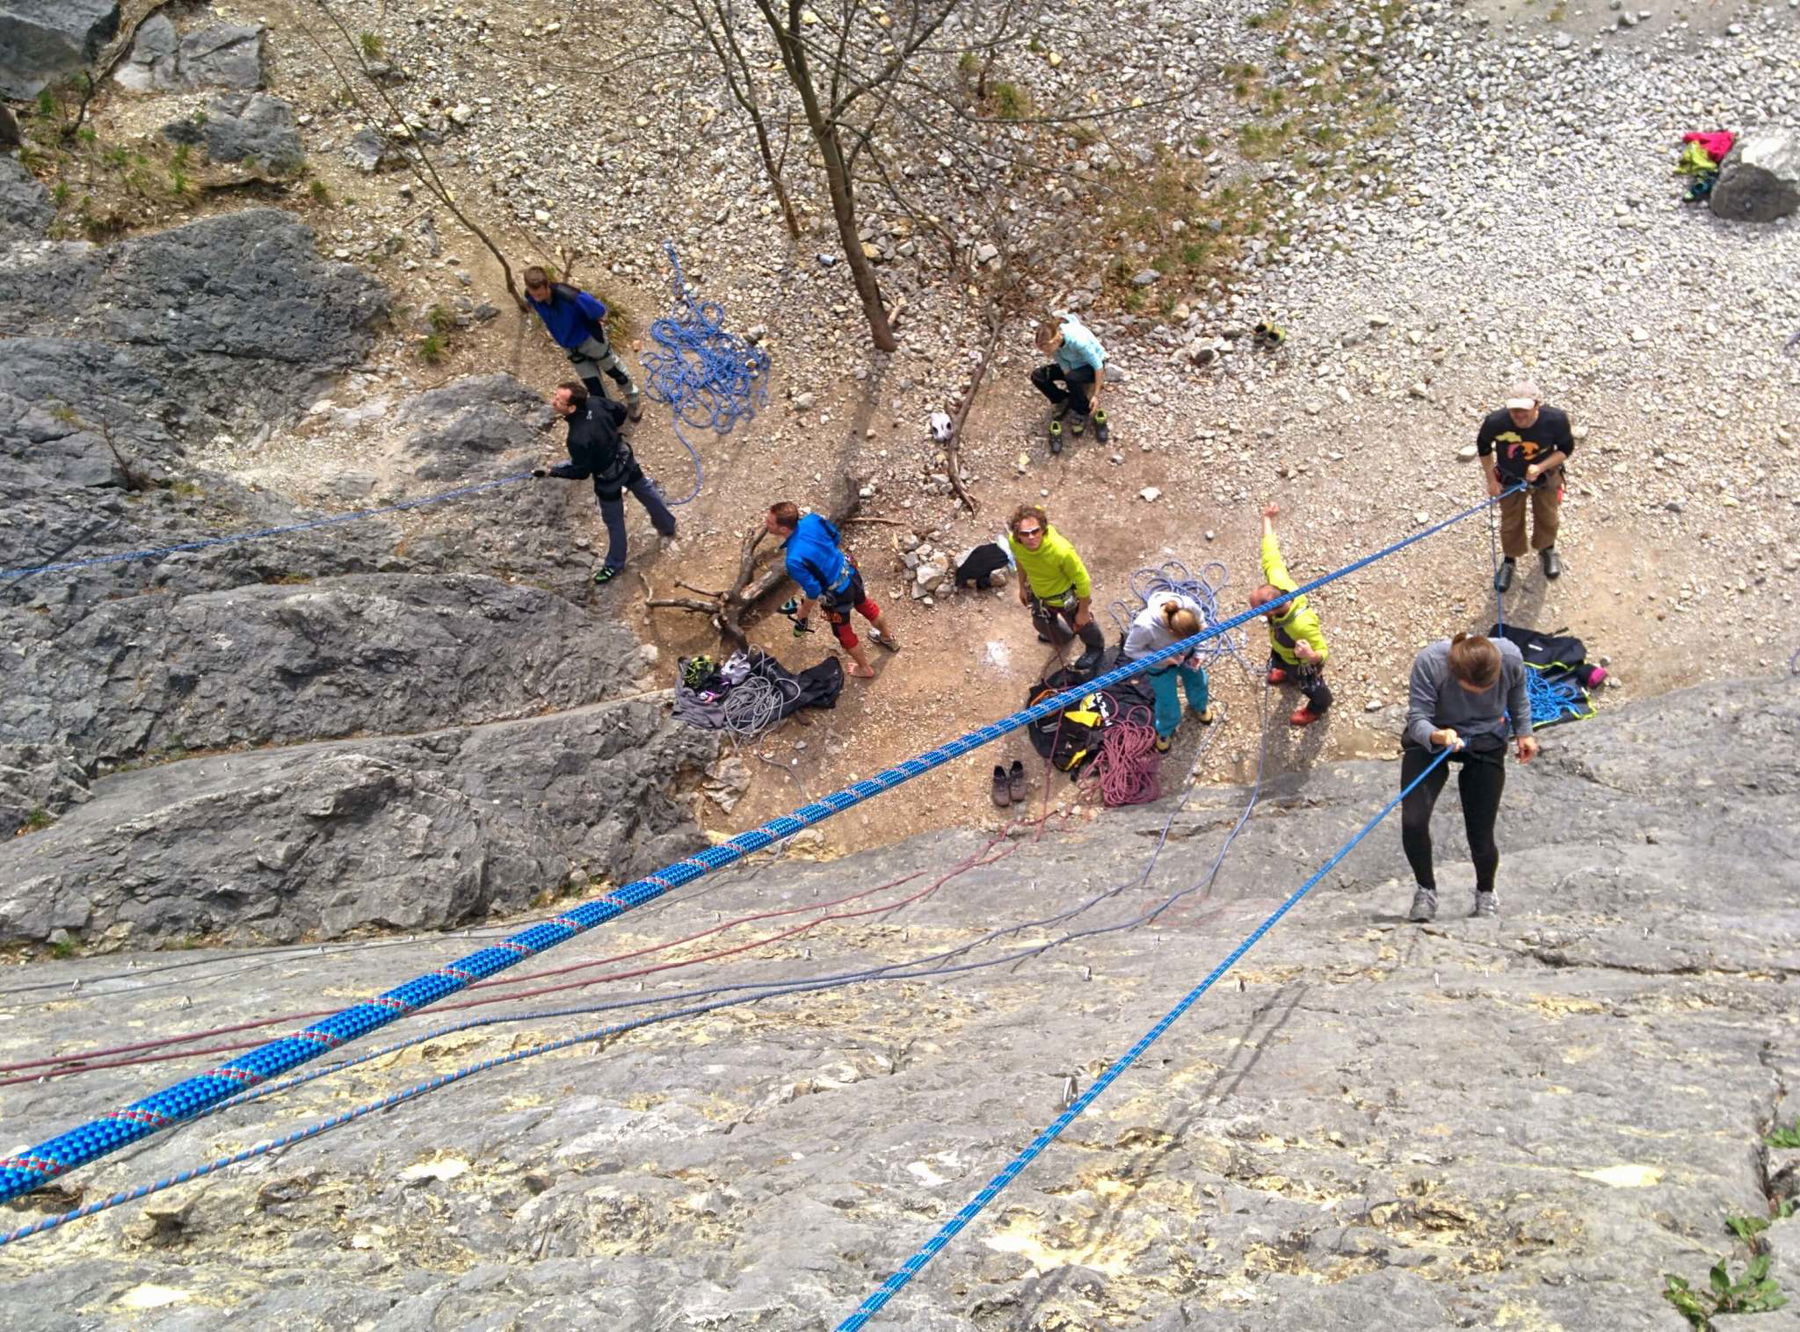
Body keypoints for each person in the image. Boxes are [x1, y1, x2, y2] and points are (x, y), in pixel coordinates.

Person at [1400, 632, 1539, 922]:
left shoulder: (1510, 657)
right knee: (1413, 821)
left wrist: (1525, 732)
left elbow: (1518, 695)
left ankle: (1486, 891)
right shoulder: (1431, 662)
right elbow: (1417, 719)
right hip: (1436, 736)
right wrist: (1438, 735)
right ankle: (1425, 890)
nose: (1482, 692)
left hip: (1486, 737)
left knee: (1480, 830)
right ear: (1455, 672)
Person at [535, 381, 675, 583]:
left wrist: (553, 471)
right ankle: (667, 525)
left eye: (559, 400)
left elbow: (581, 471)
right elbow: (620, 411)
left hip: (607, 478)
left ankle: (615, 564)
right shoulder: (596, 402)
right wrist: (608, 433)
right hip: (624, 458)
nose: (553, 401)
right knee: (645, 489)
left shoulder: (577, 438)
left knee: (614, 521)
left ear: (572, 408)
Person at [766, 501, 899, 680]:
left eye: (770, 522)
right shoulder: (813, 520)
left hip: (836, 596)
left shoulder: (793, 559)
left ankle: (865, 668)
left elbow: (813, 590)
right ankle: (888, 637)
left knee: (842, 631)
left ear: (783, 529)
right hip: (850, 572)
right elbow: (835, 537)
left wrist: (803, 612)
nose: (765, 524)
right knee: (865, 604)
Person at [1477, 379, 1575, 591]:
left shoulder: (1555, 420)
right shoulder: (1495, 422)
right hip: (1509, 479)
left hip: (1545, 476)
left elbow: (1566, 449)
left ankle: (1547, 549)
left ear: (1537, 405)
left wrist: (1541, 467)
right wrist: (1491, 481)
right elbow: (1484, 447)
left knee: (1548, 515)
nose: (1519, 416)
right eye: (1514, 411)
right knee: (1510, 521)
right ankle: (1510, 561)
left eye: (1525, 411)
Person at [1247, 503, 1333, 727]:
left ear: (1273, 609)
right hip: (1283, 647)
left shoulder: (1302, 624)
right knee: (1280, 657)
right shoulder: (1278, 582)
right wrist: (1267, 518)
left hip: (1302, 660)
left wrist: (1310, 654)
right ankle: (1285, 672)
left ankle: (1316, 709)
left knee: (1311, 685)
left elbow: (1323, 653)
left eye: (1258, 611)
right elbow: (1270, 554)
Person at [523, 266, 644, 420]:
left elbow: (599, 310)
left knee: (615, 371)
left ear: (547, 285)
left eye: (540, 294)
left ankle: (633, 399)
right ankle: (609, 415)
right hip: (571, 348)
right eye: (534, 295)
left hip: (591, 341)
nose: (537, 298)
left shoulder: (570, 296)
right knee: (594, 386)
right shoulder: (530, 296)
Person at [1006, 505, 1106, 674]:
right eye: (1024, 533)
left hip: (1065, 596)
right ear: (1017, 535)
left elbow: (1083, 581)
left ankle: (1095, 648)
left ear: (1043, 530)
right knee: (1041, 623)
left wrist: (1083, 612)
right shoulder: (1015, 544)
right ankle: (1063, 637)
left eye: (1035, 531)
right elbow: (1021, 562)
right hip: (1040, 593)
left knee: (1083, 625)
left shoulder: (1061, 551)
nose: (1030, 537)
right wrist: (1022, 587)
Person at [1123, 591, 1214, 753]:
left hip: (1187, 656)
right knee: (1166, 699)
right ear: (1171, 634)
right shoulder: (1145, 626)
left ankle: (1199, 705)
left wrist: (1199, 653)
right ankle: (1165, 728)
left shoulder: (1188, 606)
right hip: (1159, 665)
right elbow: (1130, 650)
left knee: (1198, 680)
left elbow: (1202, 625)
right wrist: (1162, 659)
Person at [1029, 314, 1110, 452]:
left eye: (1046, 349)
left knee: (1073, 378)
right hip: (1073, 366)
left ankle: (1082, 411)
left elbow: (1098, 366)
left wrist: (1095, 394)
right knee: (1038, 375)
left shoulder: (1078, 342)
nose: (1045, 353)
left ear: (1055, 340)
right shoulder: (1056, 345)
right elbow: (1063, 364)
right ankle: (1062, 400)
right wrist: (1072, 386)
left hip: (1090, 367)